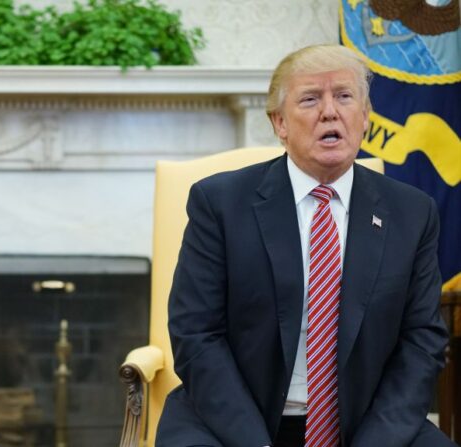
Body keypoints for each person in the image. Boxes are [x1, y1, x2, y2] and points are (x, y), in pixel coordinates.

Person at [156, 44, 454, 447]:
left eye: (345, 97)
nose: (330, 112)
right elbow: (196, 334)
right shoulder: (220, 203)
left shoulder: (412, 212)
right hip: (235, 421)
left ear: (365, 117)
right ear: (280, 123)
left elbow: (422, 341)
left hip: (366, 424)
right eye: (311, 99)